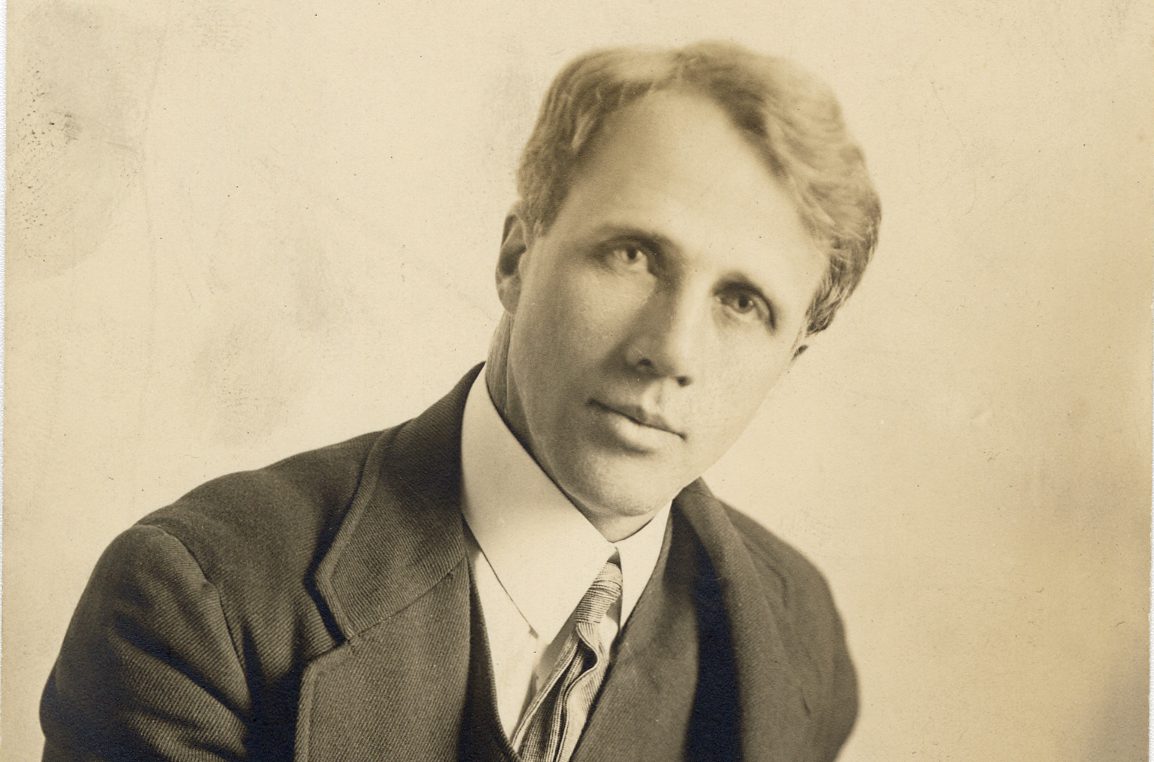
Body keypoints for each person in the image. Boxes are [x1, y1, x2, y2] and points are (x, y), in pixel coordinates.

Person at [41, 41, 880, 761]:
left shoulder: (794, 632)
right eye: (633, 254)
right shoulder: (199, 599)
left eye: (743, 303)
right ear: (517, 257)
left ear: (790, 360)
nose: (671, 350)